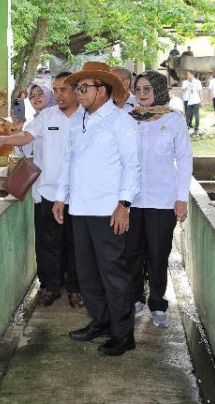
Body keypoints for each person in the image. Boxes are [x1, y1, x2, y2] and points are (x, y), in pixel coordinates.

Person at [52, 61, 140, 357]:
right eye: (77, 88)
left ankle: (123, 334)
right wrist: (60, 197)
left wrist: (124, 204)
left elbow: (132, 166)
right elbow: (68, 161)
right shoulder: (78, 121)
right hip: (80, 208)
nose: (78, 93)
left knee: (113, 273)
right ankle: (101, 321)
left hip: (108, 209)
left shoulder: (122, 122)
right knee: (87, 273)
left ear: (102, 90)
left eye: (83, 87)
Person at [0, 73, 83, 308]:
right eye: (57, 89)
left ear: (76, 91)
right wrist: (5, 140)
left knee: (77, 244)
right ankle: (51, 286)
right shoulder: (47, 117)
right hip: (49, 191)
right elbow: (26, 136)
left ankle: (76, 288)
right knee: (48, 242)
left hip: (80, 193)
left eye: (64, 89)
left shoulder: (86, 117)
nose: (60, 94)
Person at [127, 71, 192, 328]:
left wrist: (181, 198)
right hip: (131, 199)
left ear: (159, 90)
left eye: (147, 89)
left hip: (162, 200)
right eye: (138, 90)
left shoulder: (174, 120)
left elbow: (184, 160)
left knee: (157, 253)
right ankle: (135, 298)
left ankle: (157, 303)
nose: (142, 95)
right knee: (132, 252)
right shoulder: (128, 118)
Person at [184, 71, 202, 135]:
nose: (187, 76)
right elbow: (184, 90)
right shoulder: (187, 82)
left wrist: (201, 101)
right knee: (188, 115)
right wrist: (187, 85)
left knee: (196, 115)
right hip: (190, 101)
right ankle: (186, 127)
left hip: (196, 101)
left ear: (192, 75)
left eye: (188, 75)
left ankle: (196, 128)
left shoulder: (197, 82)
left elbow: (200, 92)